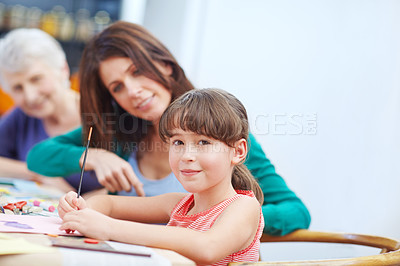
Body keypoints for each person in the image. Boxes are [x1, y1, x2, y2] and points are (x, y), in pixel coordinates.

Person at [27, 21, 310, 235]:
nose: (133, 91)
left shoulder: (220, 135)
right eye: (118, 87)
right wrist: (95, 157)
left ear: (166, 65)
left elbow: (295, 212)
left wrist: (220, 220)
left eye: (137, 71)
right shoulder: (118, 129)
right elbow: (38, 157)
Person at [59, 88, 265, 265]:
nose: (186, 156)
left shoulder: (244, 207)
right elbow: (108, 204)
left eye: (203, 142)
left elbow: (207, 247)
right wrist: (81, 211)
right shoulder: (177, 204)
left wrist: (108, 227)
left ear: (238, 151)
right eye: (178, 142)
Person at [0, 28, 101, 193]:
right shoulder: (21, 116)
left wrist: (83, 205)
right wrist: (37, 172)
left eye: (36, 79)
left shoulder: (103, 115)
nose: (30, 96)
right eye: (18, 87)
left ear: (63, 70)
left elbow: (130, 188)